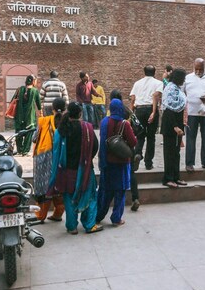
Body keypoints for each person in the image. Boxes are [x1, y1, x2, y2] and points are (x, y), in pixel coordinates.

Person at [49, 101, 104, 234]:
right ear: (80, 113)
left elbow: (55, 150)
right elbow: (95, 147)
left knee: (68, 198)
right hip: (85, 170)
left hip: (67, 170)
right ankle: (89, 224)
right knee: (90, 196)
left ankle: (72, 227)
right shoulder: (87, 128)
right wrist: (87, 159)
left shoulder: (61, 130)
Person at [96, 99, 138, 226]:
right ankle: (116, 218)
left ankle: (98, 215)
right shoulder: (125, 124)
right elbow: (133, 142)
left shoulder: (104, 122)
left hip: (107, 162)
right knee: (120, 191)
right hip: (121, 163)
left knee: (106, 191)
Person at [32, 98, 66, 223]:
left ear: (52, 109)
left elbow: (34, 138)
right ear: (65, 109)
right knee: (58, 187)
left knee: (43, 187)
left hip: (44, 159)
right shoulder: (67, 122)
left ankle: (41, 215)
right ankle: (58, 213)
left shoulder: (44, 121)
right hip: (61, 160)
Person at [129, 65, 163, 171]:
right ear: (154, 72)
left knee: (139, 136)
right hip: (150, 109)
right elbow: (156, 97)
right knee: (151, 137)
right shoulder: (158, 83)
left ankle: (137, 154)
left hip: (139, 110)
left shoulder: (137, 83)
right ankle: (148, 162)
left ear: (144, 72)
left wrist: (132, 114)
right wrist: (153, 112)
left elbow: (133, 99)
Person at [162, 68, 188, 188]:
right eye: (183, 78)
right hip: (170, 126)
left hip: (178, 127)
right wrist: (175, 126)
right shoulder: (170, 89)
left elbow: (179, 108)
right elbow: (168, 110)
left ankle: (176, 177)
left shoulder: (177, 88)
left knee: (176, 153)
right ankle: (168, 179)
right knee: (169, 153)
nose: (184, 80)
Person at [12, 75, 41, 155]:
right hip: (30, 116)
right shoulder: (34, 91)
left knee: (18, 131)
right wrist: (40, 112)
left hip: (19, 115)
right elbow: (38, 104)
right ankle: (25, 151)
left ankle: (19, 149)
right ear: (33, 81)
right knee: (29, 132)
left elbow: (13, 100)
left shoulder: (19, 89)